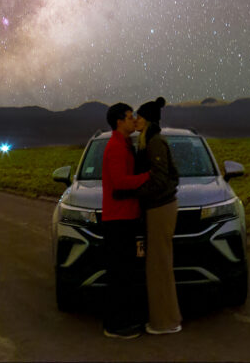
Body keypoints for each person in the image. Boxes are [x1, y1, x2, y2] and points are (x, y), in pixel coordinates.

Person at [100, 102, 150, 339]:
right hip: (118, 219)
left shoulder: (124, 144)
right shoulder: (116, 148)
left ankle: (122, 320)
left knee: (124, 272)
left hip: (126, 216)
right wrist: (149, 176)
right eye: (130, 117)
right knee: (119, 273)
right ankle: (114, 326)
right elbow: (120, 182)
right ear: (119, 121)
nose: (133, 120)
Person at [133, 97, 182, 334]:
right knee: (158, 264)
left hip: (160, 208)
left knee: (159, 265)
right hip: (158, 207)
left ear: (149, 120)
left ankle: (166, 323)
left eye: (139, 116)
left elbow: (162, 178)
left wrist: (137, 193)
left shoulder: (154, 143)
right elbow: (170, 176)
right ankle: (167, 318)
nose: (136, 120)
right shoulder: (149, 141)